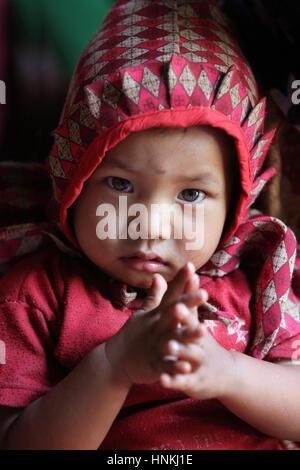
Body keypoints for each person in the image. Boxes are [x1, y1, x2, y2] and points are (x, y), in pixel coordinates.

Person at [0, 0, 300, 450]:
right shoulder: (36, 295)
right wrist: (113, 366)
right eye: (120, 184)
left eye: (191, 195)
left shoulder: (258, 280)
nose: (151, 226)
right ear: (71, 183)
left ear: (237, 204)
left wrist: (230, 372)